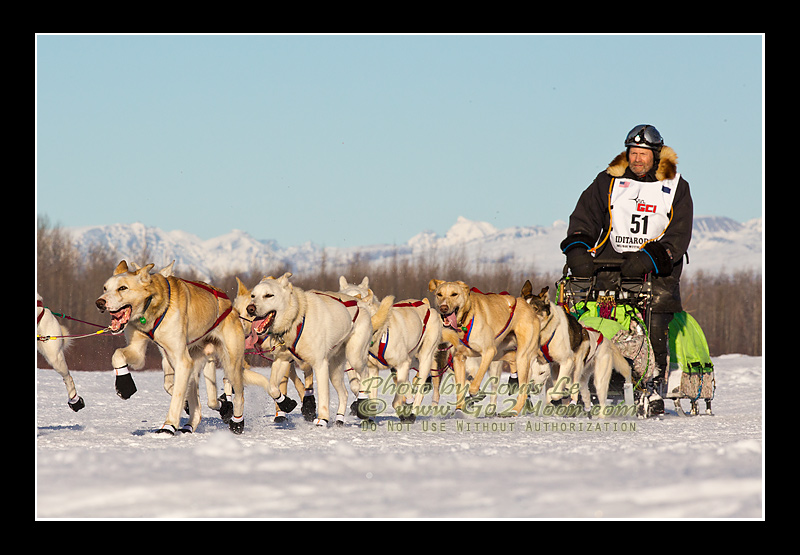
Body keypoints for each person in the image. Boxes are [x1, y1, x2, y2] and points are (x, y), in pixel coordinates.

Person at [560, 124, 693, 416]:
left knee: (653, 320)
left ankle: (653, 383)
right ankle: (600, 385)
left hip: (657, 271)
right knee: (600, 322)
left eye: (643, 153)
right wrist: (578, 249)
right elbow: (585, 217)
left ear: (656, 155)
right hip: (610, 266)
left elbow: (679, 235)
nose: (636, 159)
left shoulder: (676, 187)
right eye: (632, 152)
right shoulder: (608, 181)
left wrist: (650, 257)